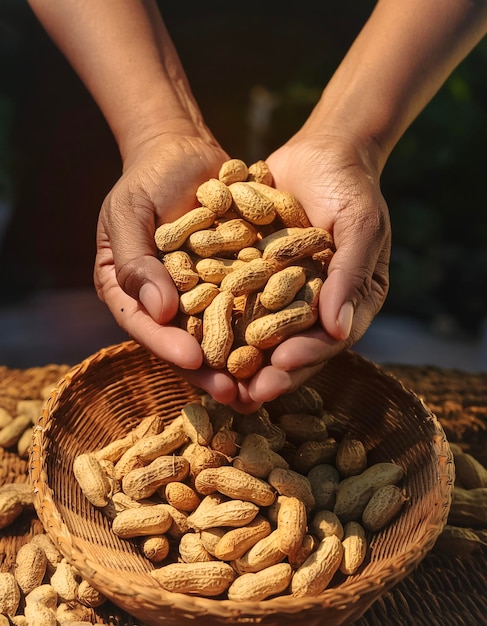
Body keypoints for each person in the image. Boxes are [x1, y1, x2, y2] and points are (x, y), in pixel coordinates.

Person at [26, 1, 487, 412]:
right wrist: (154, 130)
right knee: (87, 302)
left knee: (368, 292)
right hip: (110, 54)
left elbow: (258, 260)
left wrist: (353, 139)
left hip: (387, 58)